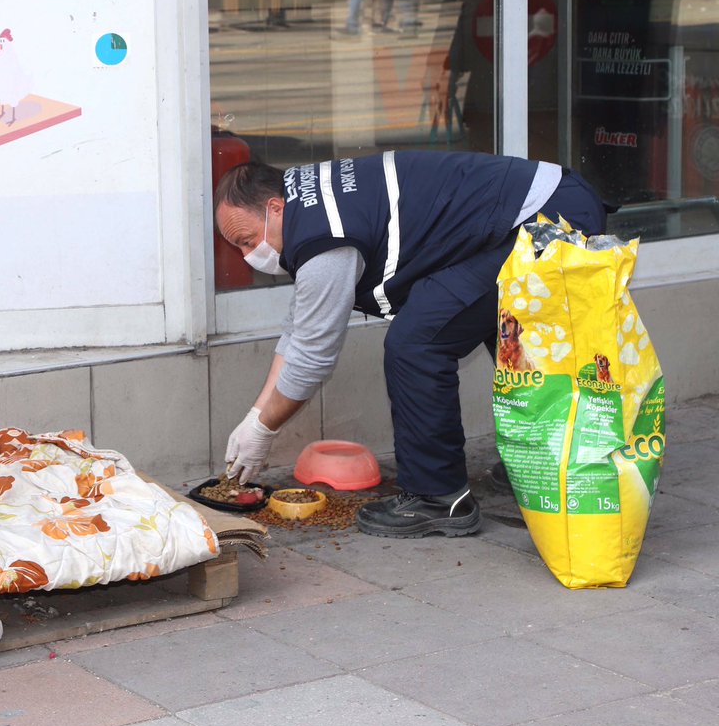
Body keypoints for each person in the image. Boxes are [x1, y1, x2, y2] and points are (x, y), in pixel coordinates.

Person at [215, 151, 612, 538]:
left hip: (549, 219)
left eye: (248, 240)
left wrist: (265, 430)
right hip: (546, 203)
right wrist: (254, 416)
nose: (249, 255)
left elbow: (311, 356)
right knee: (503, 329)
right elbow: (299, 331)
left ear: (275, 207)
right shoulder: (307, 202)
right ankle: (547, 461)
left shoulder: (324, 236)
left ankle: (438, 497)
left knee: (416, 344)